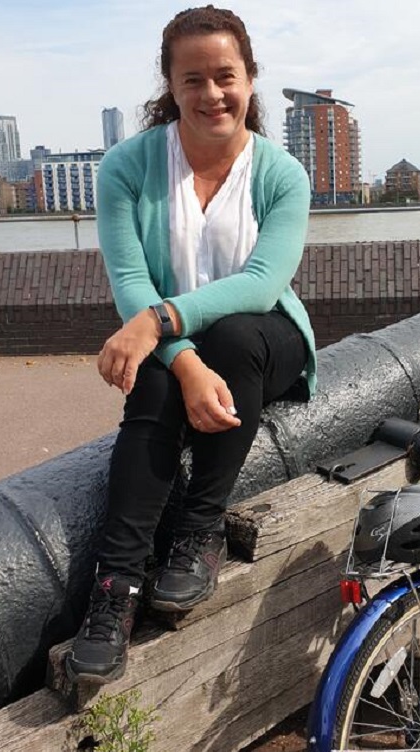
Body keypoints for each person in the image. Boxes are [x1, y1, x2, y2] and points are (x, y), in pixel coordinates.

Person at [66, 5, 316, 684]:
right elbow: (128, 278)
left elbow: (263, 284)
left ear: (250, 78)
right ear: (170, 87)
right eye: (193, 80)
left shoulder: (282, 174)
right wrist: (178, 358)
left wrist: (158, 324)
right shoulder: (126, 167)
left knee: (233, 337)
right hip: (175, 345)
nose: (212, 94)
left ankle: (198, 529)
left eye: (225, 77)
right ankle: (115, 590)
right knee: (151, 385)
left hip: (264, 338)